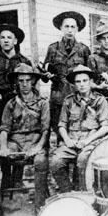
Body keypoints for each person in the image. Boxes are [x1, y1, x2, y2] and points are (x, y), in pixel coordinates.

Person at [0, 63, 50, 216]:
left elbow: (46, 129)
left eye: (28, 80)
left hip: (34, 141)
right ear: (16, 83)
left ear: (33, 81)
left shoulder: (42, 103)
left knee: (40, 161)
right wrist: (3, 147)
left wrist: (39, 147)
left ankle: (39, 206)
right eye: (21, 81)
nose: (24, 84)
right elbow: (4, 129)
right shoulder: (11, 103)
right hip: (15, 143)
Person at [50, 65, 108, 192]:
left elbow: (105, 127)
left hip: (91, 142)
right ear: (74, 84)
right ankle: (68, 192)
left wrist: (87, 141)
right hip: (71, 142)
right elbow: (62, 124)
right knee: (56, 162)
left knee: (83, 160)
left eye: (85, 81)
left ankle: (84, 193)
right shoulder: (69, 101)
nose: (82, 84)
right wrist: (66, 139)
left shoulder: (100, 101)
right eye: (78, 81)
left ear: (91, 82)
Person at [43, 11, 91, 140]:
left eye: (73, 27)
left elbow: (90, 75)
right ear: (61, 28)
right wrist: (47, 74)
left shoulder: (83, 49)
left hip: (77, 96)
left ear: (77, 29)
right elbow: (44, 73)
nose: (69, 30)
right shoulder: (53, 48)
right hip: (58, 97)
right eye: (66, 27)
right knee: (59, 129)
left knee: (78, 128)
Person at [0, 23, 32, 136]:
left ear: (15, 41)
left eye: (9, 37)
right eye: (2, 37)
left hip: (18, 101)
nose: (6, 40)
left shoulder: (24, 61)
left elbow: (30, 84)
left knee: (17, 130)